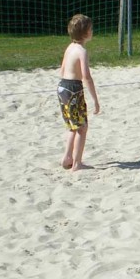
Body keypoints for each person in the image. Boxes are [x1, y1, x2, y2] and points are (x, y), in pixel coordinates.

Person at [58, 14, 101, 170]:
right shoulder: (82, 51)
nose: (92, 31)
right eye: (91, 29)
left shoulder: (69, 47)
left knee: (72, 126)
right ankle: (77, 163)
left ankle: (67, 157)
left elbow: (62, 70)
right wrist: (95, 100)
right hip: (73, 89)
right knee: (82, 128)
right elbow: (86, 77)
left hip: (62, 86)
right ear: (86, 33)